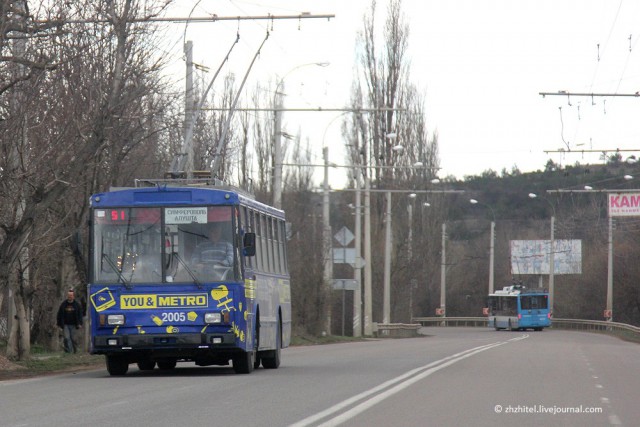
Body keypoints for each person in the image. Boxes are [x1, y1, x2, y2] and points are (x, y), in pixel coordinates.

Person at [56, 289, 83, 353]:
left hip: (74, 324)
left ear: (73, 296)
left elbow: (80, 315)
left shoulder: (77, 305)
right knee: (66, 338)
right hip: (65, 324)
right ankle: (68, 352)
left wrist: (80, 323)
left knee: (74, 339)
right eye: (68, 295)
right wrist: (58, 324)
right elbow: (59, 314)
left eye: (71, 295)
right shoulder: (63, 304)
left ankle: (75, 351)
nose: (70, 296)